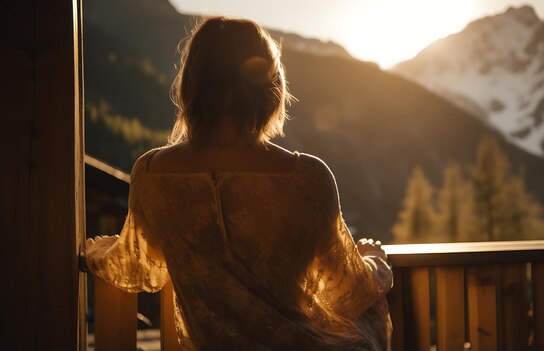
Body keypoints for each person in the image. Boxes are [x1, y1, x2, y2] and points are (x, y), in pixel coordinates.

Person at [85, 16, 393, 351]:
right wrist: (376, 263)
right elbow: (348, 295)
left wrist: (94, 253)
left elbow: (137, 266)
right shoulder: (306, 177)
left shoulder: (152, 174)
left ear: (192, 84)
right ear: (270, 88)